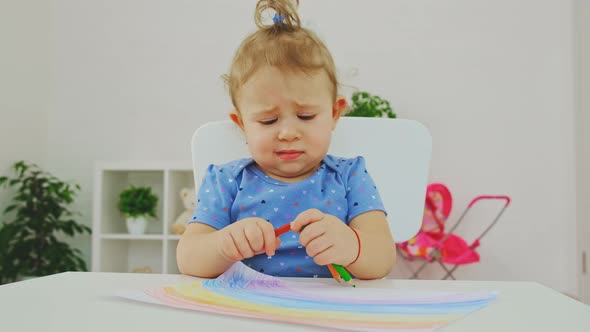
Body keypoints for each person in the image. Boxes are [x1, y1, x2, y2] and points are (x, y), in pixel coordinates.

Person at [177, 0, 395, 279]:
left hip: (330, 314)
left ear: (334, 113)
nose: (288, 133)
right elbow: (188, 258)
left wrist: (353, 246)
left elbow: (383, 257)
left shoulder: (350, 176)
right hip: (250, 314)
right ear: (242, 124)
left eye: (305, 116)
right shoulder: (226, 181)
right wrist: (223, 245)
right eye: (268, 121)